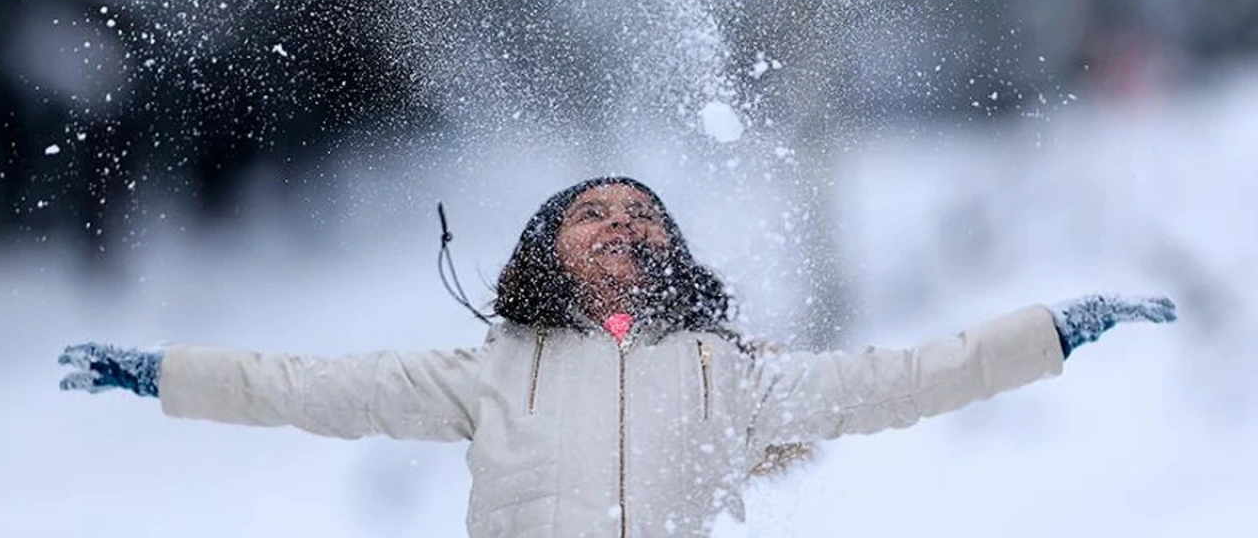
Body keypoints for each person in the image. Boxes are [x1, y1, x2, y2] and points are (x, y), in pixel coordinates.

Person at [58, 176, 1177, 537]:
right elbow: (304, 389)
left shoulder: (725, 374)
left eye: (644, 215)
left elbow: (901, 379)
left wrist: (1051, 331)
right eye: (592, 212)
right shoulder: (488, 371)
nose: (622, 225)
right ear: (544, 249)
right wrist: (162, 372)